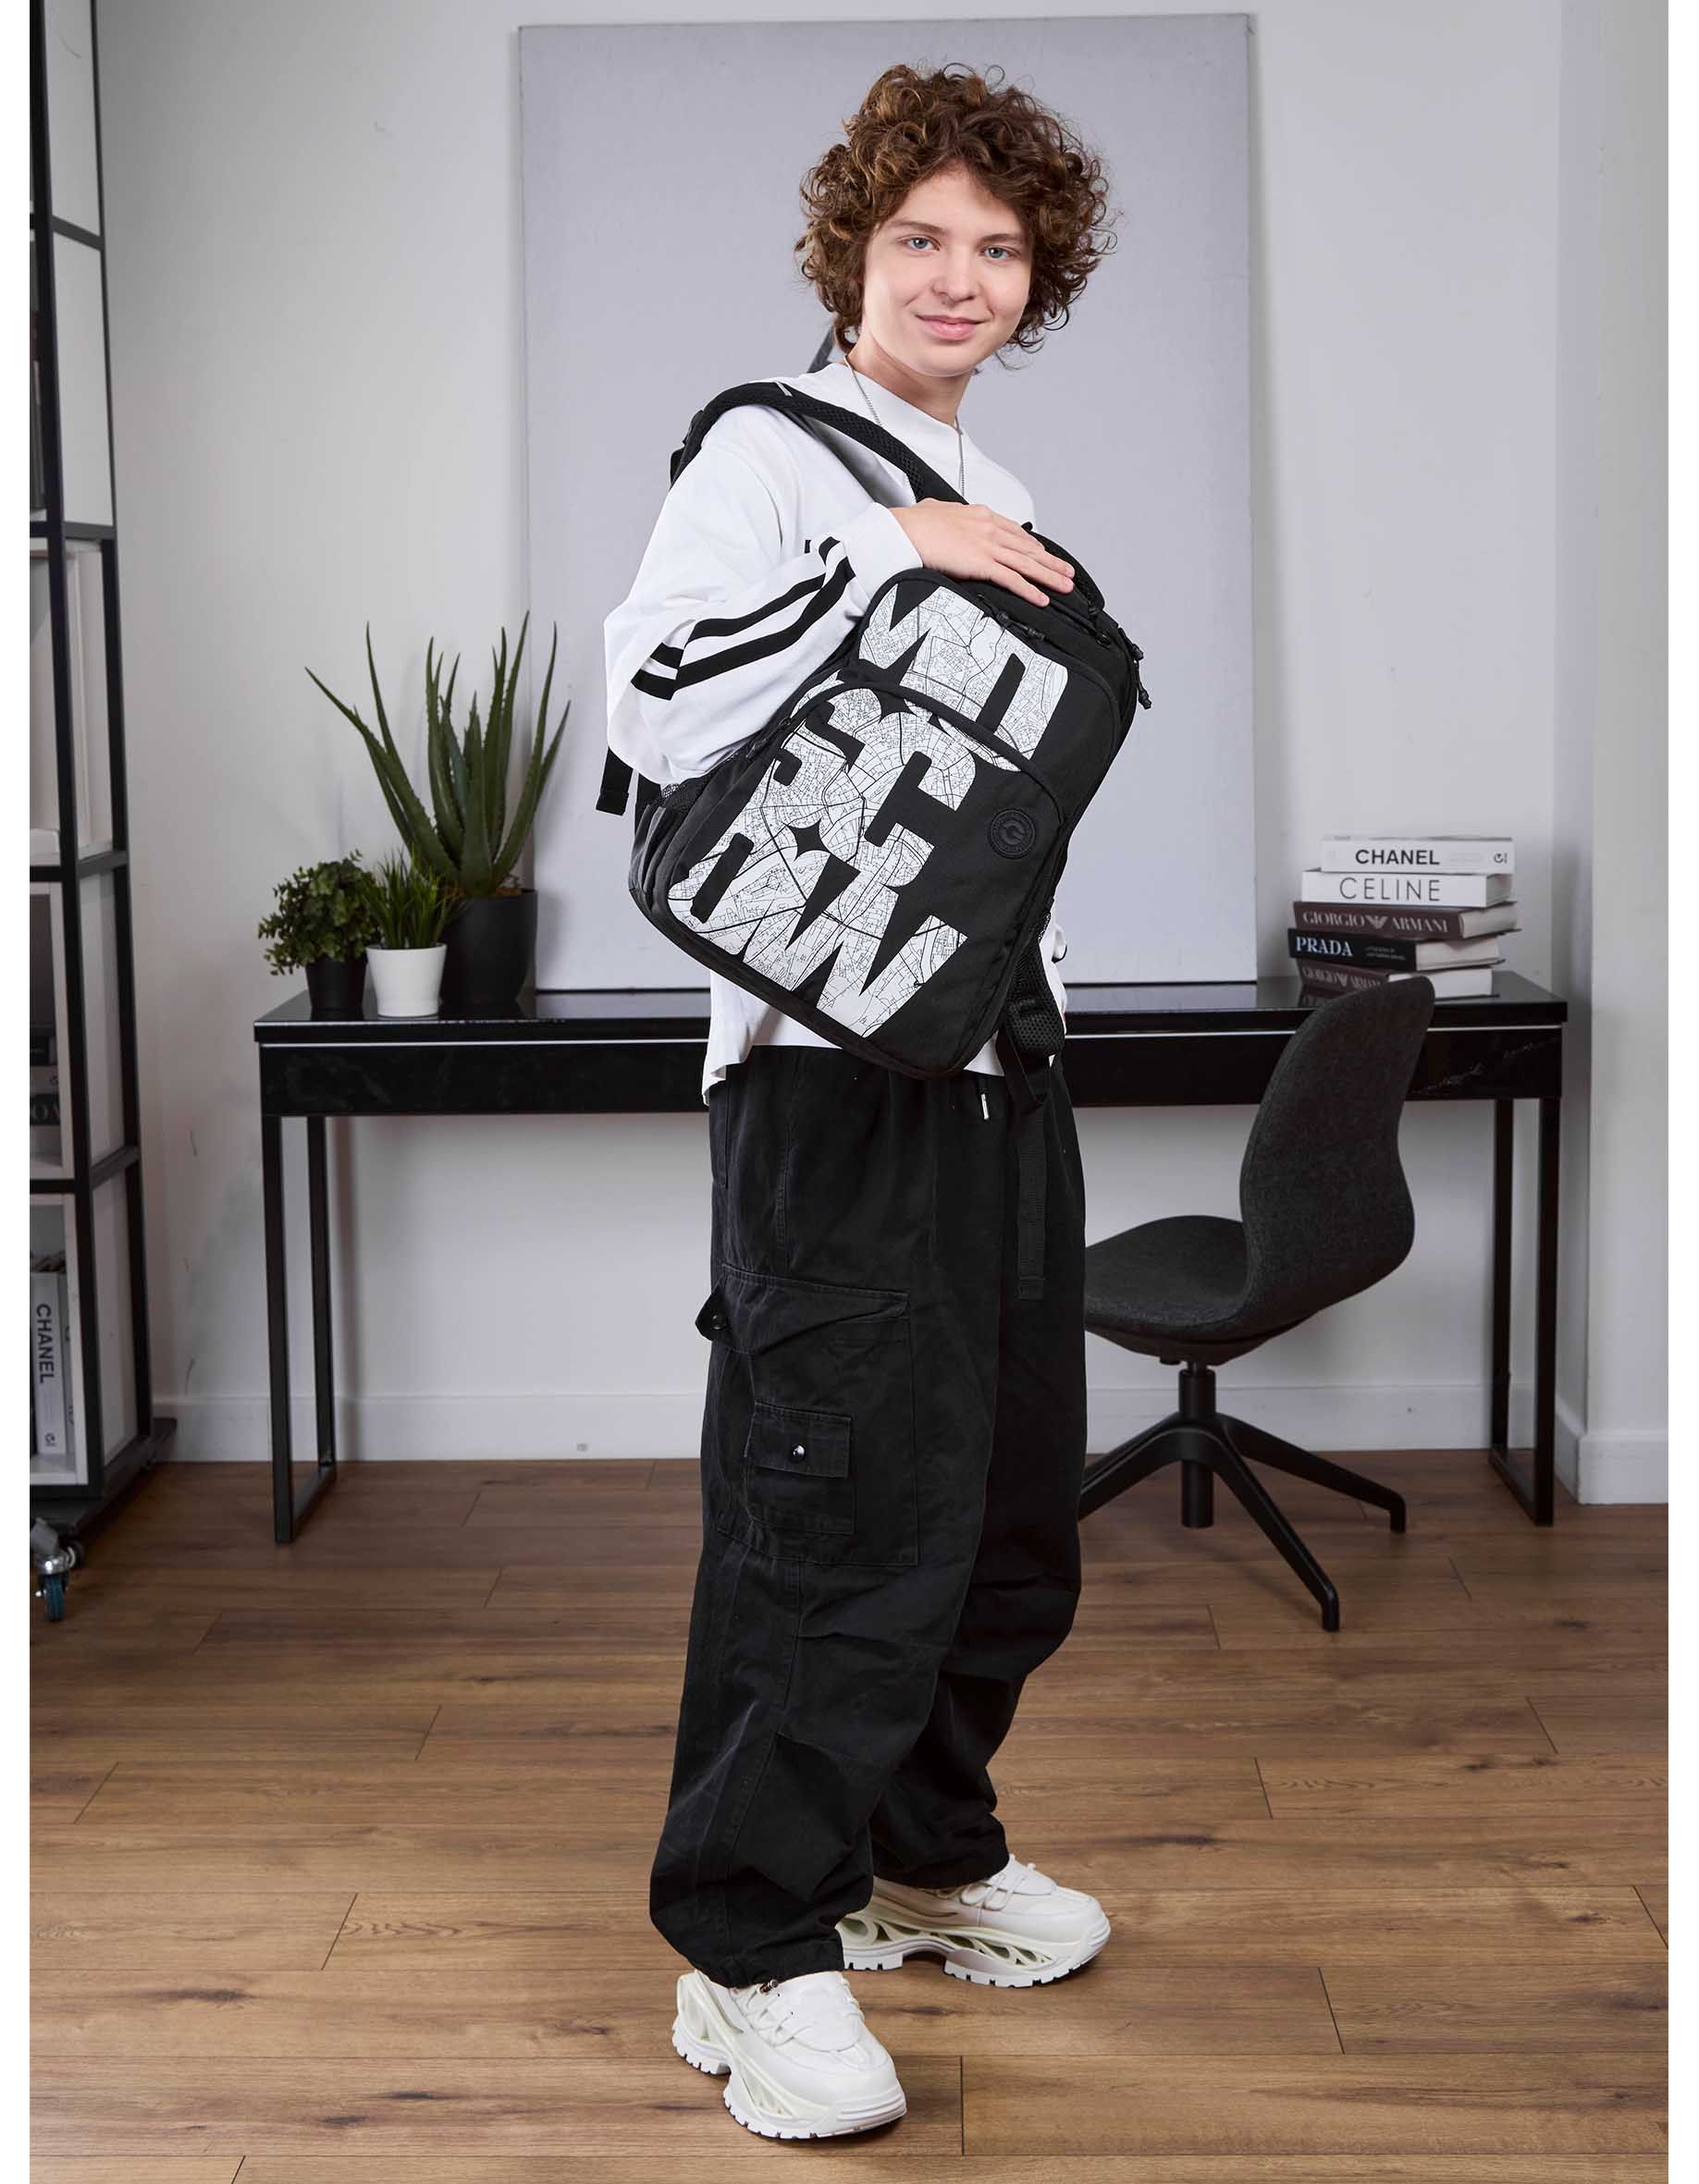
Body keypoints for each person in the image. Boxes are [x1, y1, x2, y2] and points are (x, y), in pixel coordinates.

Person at [603, 60, 1117, 2142]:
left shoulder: (982, 467)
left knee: (1000, 1515)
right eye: (921, 236)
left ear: (1036, 279)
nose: (959, 275)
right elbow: (652, 699)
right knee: (830, 1519)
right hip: (828, 1084)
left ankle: (919, 1855)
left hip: (995, 1070)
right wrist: (885, 552)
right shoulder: (770, 452)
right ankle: (747, 1944)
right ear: (853, 252)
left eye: (999, 246)